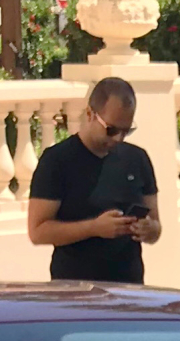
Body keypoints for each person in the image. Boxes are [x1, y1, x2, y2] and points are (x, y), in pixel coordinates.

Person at [25, 76, 162, 286]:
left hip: (130, 288)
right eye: (112, 129)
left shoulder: (137, 159)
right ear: (90, 114)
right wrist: (94, 228)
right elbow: (38, 231)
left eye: (126, 131)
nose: (118, 138)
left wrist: (148, 229)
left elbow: (156, 228)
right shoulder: (57, 161)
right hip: (74, 292)